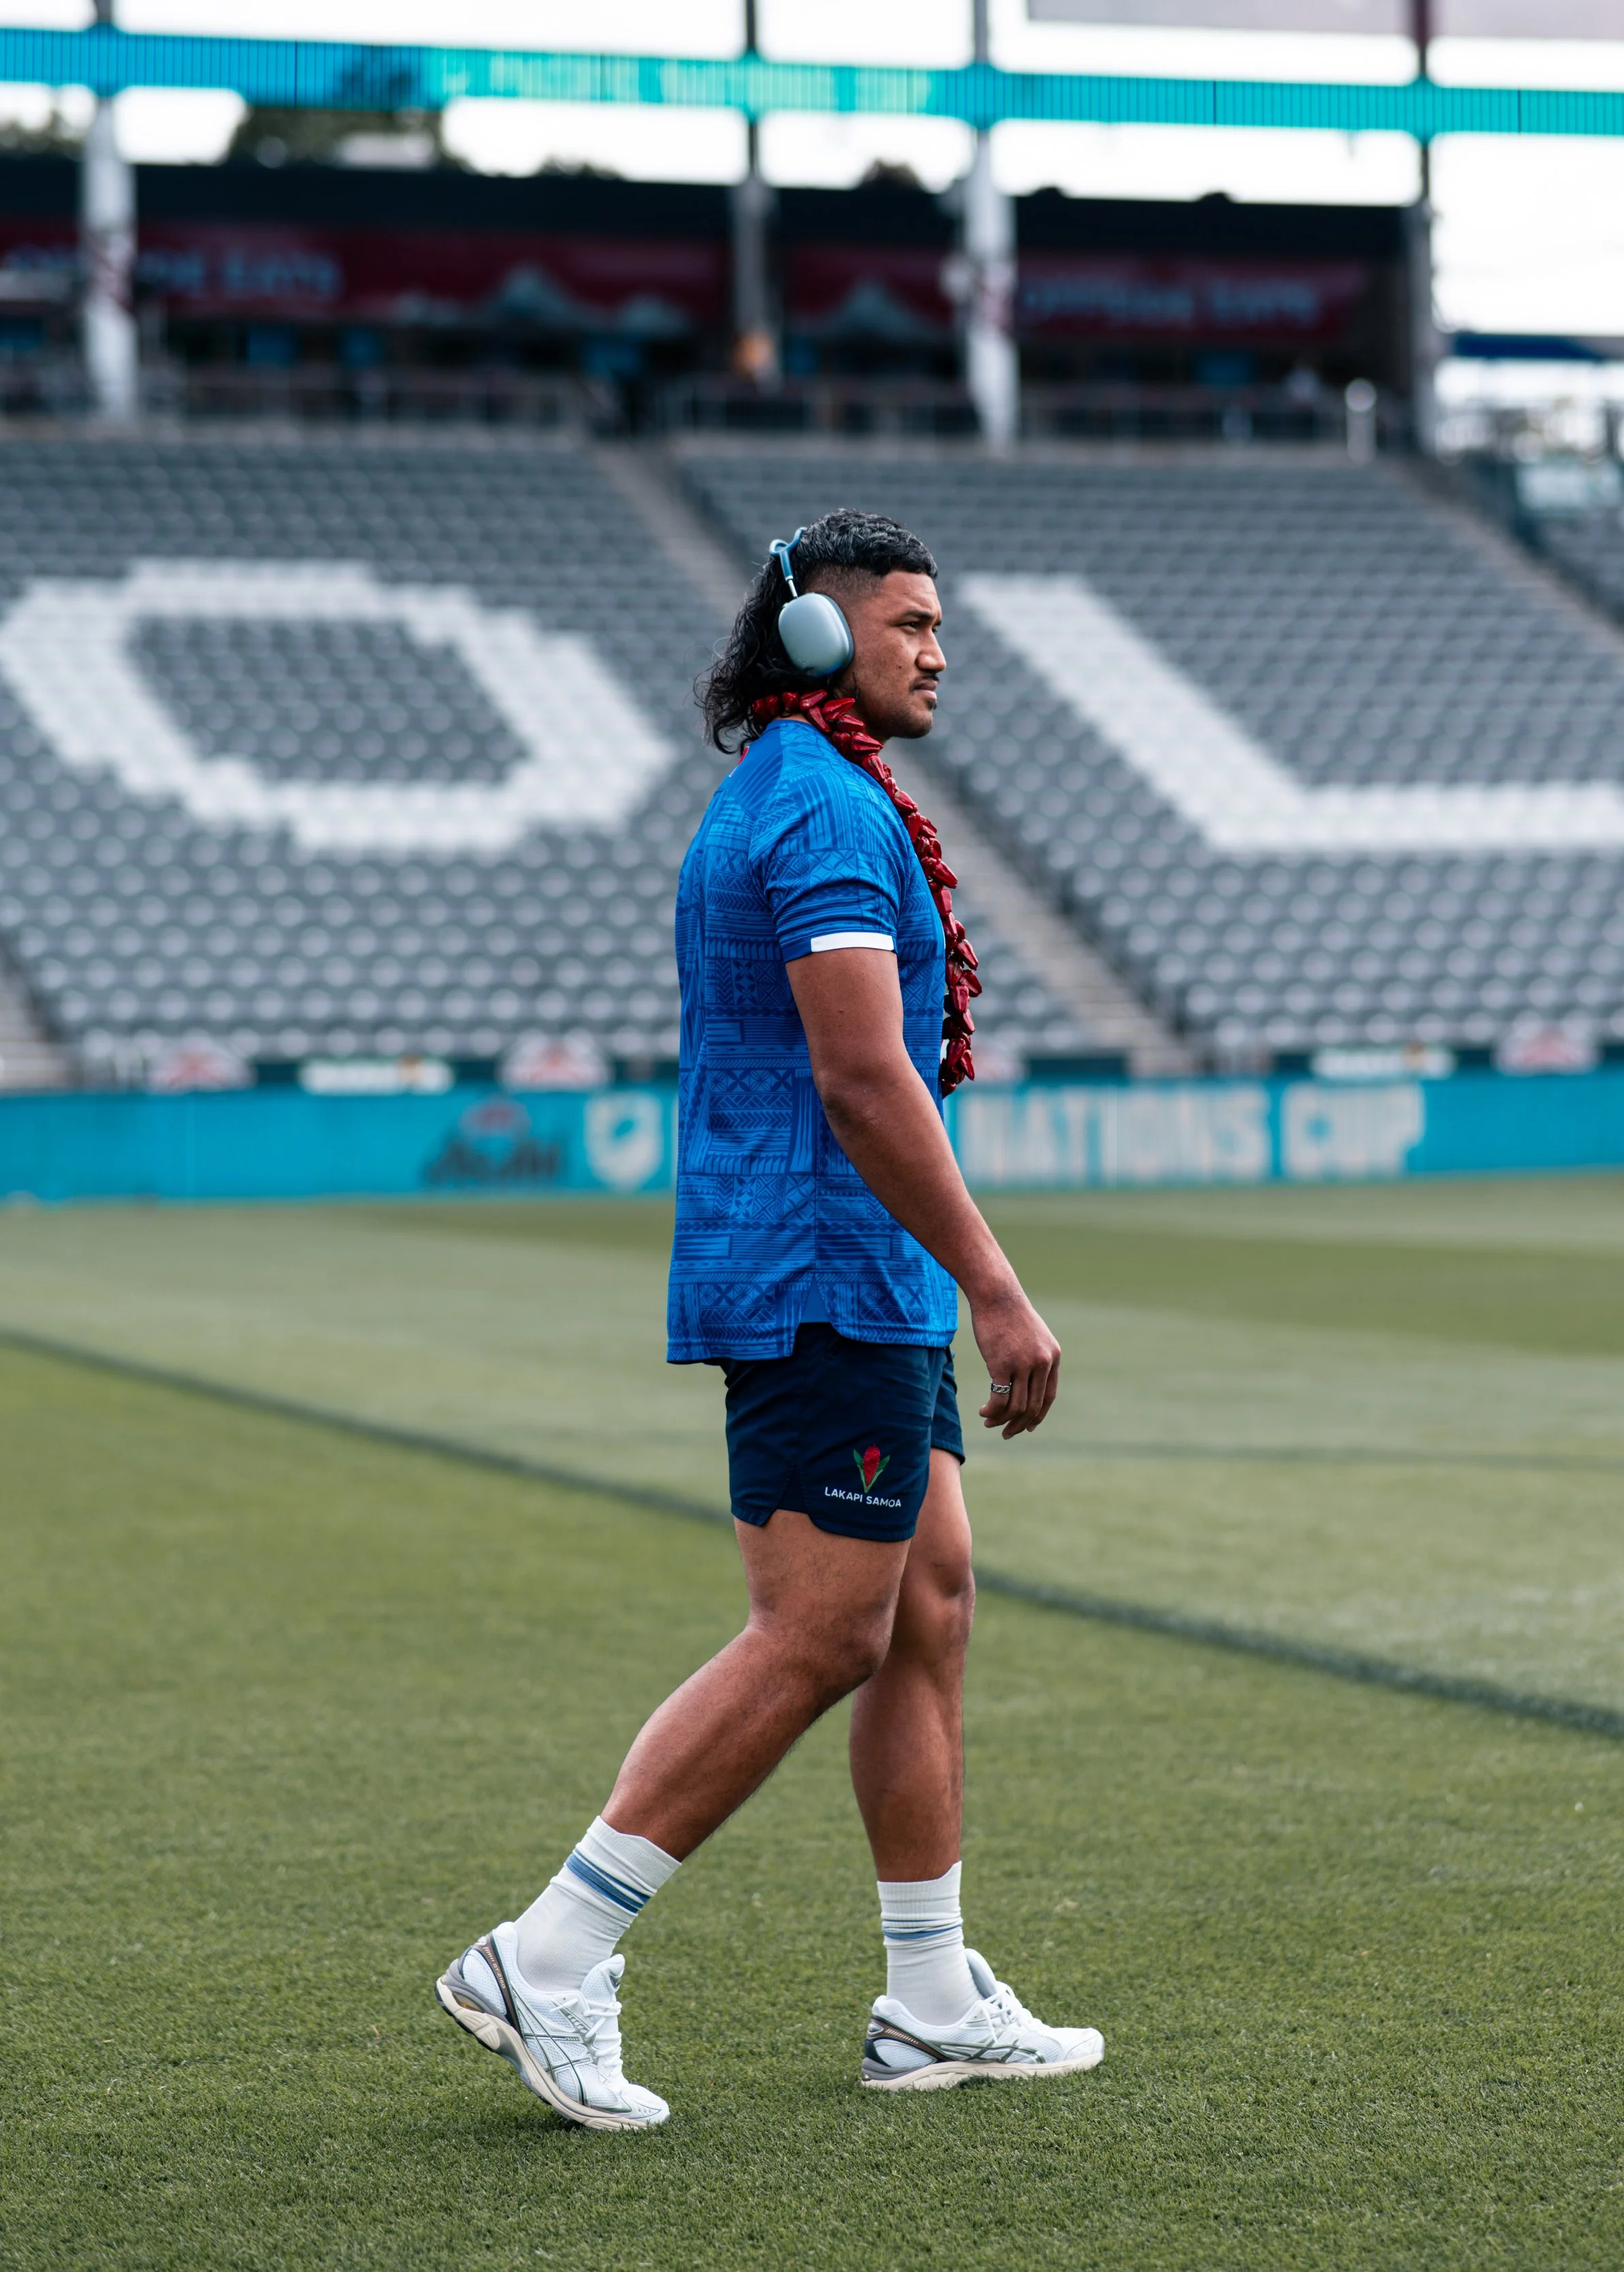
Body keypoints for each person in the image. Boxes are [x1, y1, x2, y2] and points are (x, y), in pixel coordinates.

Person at [437, 508, 1103, 2129]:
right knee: (819, 1632)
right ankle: (549, 1947)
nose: (938, 648)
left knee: (925, 1605)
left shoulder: (827, 790)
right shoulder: (811, 808)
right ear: (816, 637)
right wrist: (998, 1283)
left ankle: (928, 1995)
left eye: (942, 624)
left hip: (854, 1272)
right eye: (909, 623)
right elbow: (864, 1077)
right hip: (819, 1266)